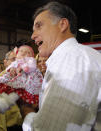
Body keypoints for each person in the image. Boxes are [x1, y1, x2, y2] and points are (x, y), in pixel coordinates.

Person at [22, 2, 101, 131]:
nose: (33, 35)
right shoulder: (80, 56)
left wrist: (27, 112)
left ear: (62, 25)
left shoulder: (70, 60)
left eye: (39, 26)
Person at [0, 45, 43, 114]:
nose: (24, 52)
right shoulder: (15, 63)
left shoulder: (31, 61)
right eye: (21, 51)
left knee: (17, 95)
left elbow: (30, 68)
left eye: (28, 52)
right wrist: (11, 69)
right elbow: (10, 68)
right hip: (18, 82)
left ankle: (3, 104)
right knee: (12, 93)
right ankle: (0, 104)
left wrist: (23, 67)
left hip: (28, 82)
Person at [0, 49, 23, 131]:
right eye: (13, 59)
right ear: (5, 62)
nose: (17, 62)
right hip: (10, 127)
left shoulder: (24, 78)